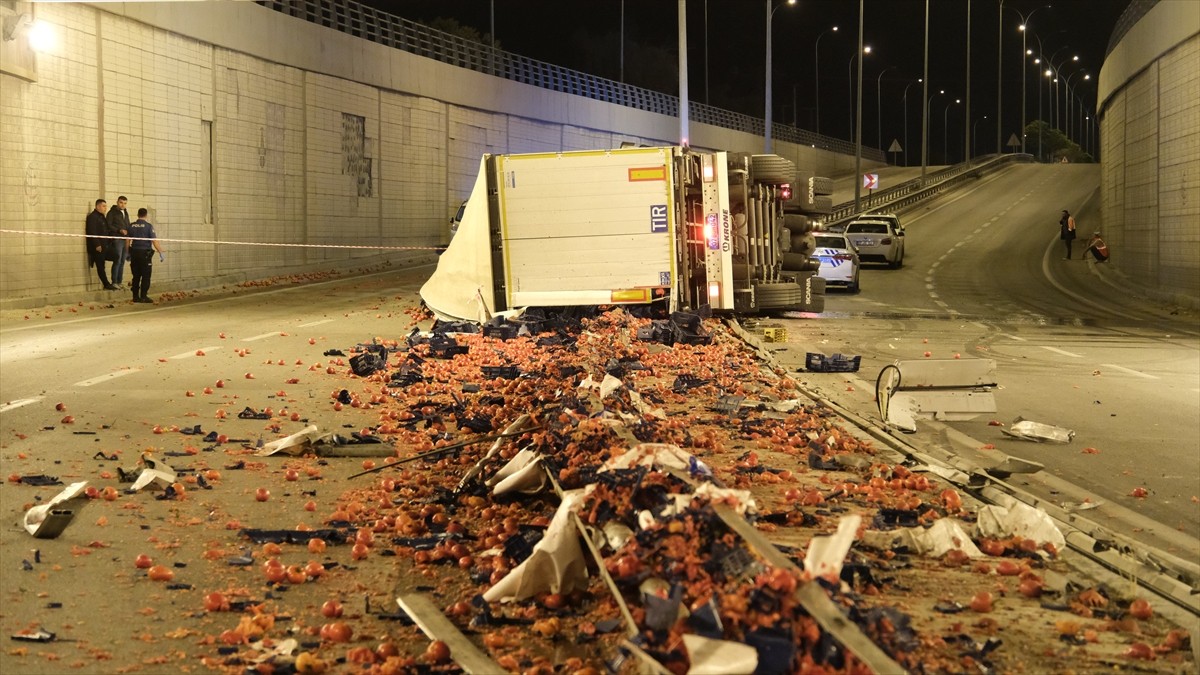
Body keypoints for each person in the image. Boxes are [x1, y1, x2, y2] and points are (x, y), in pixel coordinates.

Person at [127, 208, 163, 303]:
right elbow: (154, 241)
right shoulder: (148, 226)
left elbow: (127, 240)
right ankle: (143, 296)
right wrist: (160, 252)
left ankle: (135, 297)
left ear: (138, 215)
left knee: (136, 276)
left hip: (134, 252)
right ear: (146, 215)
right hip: (145, 254)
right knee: (146, 275)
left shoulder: (131, 225)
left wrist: (127, 252)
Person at [85, 199, 117, 290]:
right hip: (98, 247)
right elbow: (92, 231)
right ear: (98, 206)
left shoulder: (102, 216)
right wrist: (97, 244)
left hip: (105, 245)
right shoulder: (93, 217)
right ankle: (106, 284)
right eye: (103, 206)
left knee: (116, 256)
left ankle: (113, 281)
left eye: (106, 206)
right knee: (100, 265)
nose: (105, 208)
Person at [106, 195, 131, 287]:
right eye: (121, 202)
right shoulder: (112, 213)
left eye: (124, 203)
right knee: (117, 260)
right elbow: (109, 225)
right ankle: (114, 282)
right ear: (117, 202)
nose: (123, 205)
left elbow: (127, 224)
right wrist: (119, 230)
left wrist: (129, 233)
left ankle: (119, 282)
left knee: (123, 261)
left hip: (125, 239)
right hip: (117, 239)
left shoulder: (125, 212)